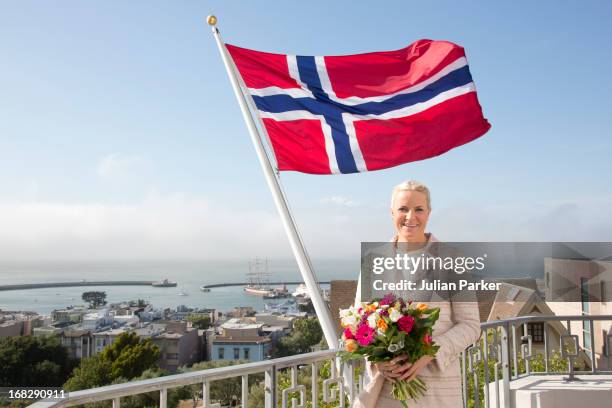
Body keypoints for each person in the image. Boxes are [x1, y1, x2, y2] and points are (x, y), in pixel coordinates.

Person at [353, 180, 480, 408]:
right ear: (392, 212)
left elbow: (470, 326)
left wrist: (429, 353)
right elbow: (358, 325)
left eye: (418, 209)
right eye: (403, 208)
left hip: (437, 391)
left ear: (428, 213)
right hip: (386, 394)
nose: (410, 217)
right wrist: (377, 362)